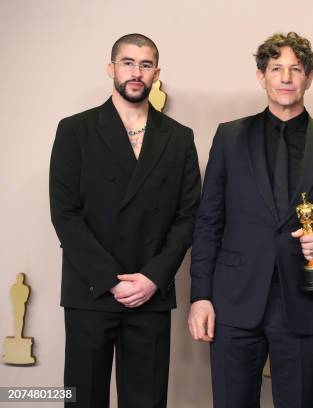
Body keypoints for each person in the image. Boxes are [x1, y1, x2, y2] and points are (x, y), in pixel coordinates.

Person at [188, 32, 313, 407]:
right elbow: (208, 222)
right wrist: (201, 296)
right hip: (233, 301)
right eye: (276, 69)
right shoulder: (230, 137)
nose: (285, 78)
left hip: (303, 301)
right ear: (261, 76)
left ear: (310, 77)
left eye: (295, 69)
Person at [49, 33, 201, 408]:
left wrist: (153, 277)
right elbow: (65, 214)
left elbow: (188, 216)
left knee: (147, 401)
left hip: (150, 293)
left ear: (156, 73)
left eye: (145, 65)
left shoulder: (179, 138)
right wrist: (109, 281)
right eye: (128, 63)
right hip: (91, 290)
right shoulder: (75, 130)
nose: (136, 72)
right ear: (111, 68)